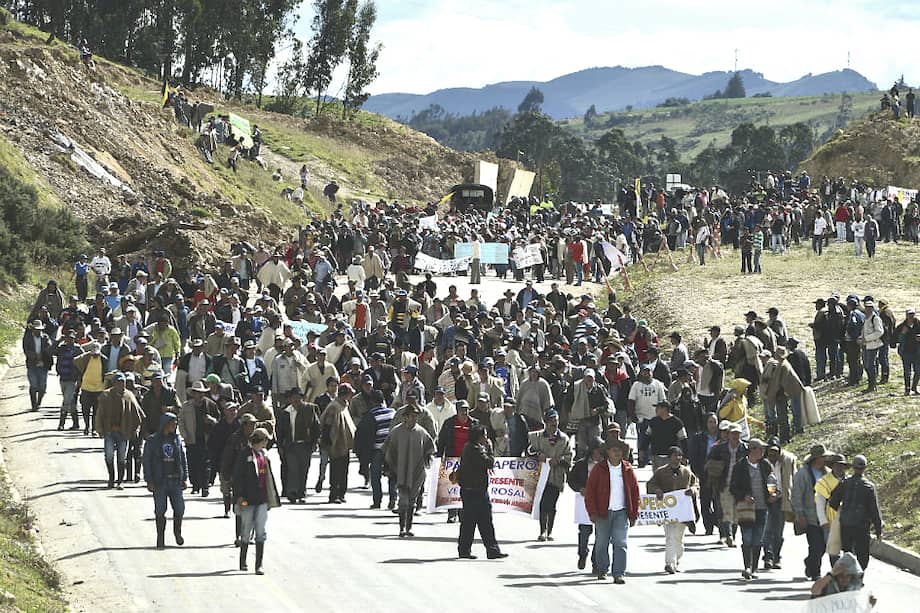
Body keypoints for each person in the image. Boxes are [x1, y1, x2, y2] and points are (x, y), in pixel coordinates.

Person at [584, 438, 640, 583]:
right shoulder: (599, 469)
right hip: (603, 513)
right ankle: (602, 569)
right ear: (607, 452)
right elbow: (590, 492)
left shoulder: (627, 469)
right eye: (614, 449)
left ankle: (619, 573)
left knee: (620, 543)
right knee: (601, 543)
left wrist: (634, 514)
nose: (617, 452)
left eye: (619, 450)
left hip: (621, 512)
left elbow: (635, 492)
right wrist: (592, 512)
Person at [233, 427, 280, 574]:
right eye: (265, 440)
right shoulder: (244, 455)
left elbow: (269, 479)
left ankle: (258, 565)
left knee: (260, 531)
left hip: (262, 499)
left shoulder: (264, 456)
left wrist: (271, 499)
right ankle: (243, 561)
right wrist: (239, 496)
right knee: (246, 530)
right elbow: (238, 477)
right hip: (247, 499)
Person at [456, 425, 508, 559]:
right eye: (484, 435)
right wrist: (490, 449)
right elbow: (489, 462)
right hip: (474, 492)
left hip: (476, 491)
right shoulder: (474, 449)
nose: (486, 438)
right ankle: (466, 550)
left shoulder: (473, 447)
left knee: (483, 522)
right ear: (478, 437)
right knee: (471, 522)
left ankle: (491, 550)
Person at [384, 403, 435, 537]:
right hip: (400, 472)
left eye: (416, 416)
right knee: (403, 501)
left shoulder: (421, 432)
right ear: (405, 417)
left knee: (412, 500)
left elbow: (430, 447)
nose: (414, 419)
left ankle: (409, 527)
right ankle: (401, 527)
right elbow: (389, 449)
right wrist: (389, 467)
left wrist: (427, 458)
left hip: (416, 472)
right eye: (411, 416)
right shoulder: (396, 432)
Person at [729, 438, 776, 580]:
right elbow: (733, 487)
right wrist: (744, 496)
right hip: (746, 509)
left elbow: (772, 482)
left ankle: (754, 568)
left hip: (762, 508)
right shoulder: (740, 466)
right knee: (747, 538)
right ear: (752, 449)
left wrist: (773, 494)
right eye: (760, 449)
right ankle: (747, 566)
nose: (762, 451)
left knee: (758, 540)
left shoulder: (765, 465)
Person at [647, 446, 698, 573]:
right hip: (667, 510)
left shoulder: (686, 472)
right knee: (670, 536)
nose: (678, 458)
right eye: (675, 455)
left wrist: (693, 490)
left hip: (682, 511)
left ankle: (676, 559)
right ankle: (670, 563)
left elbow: (695, 484)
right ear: (669, 457)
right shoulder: (661, 472)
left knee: (679, 538)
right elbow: (651, 484)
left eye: (679, 455)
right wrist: (657, 490)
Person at [142, 412, 188, 550]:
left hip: (175, 481)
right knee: (160, 510)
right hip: (160, 481)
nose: (174, 426)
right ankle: (160, 537)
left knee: (179, 509)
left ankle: (177, 532)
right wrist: (149, 480)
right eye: (172, 423)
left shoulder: (177, 440)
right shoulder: (152, 441)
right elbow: (147, 461)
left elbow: (182, 459)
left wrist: (184, 477)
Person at [829, 454, 882, 572]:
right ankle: (858, 576)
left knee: (848, 553)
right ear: (865, 468)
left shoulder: (844, 483)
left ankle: (848, 577)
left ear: (853, 467)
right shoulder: (869, 487)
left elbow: (832, 502)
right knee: (862, 555)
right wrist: (878, 530)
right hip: (862, 526)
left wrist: (843, 509)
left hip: (846, 524)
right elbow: (874, 510)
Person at [527, 409, 572, 542]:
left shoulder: (564, 439)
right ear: (546, 422)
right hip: (541, 477)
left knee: (551, 504)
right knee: (542, 503)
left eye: (556, 421)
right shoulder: (537, 437)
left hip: (556, 477)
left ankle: (550, 530)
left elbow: (569, 456)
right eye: (551, 421)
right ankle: (543, 530)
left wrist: (559, 460)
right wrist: (538, 455)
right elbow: (528, 450)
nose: (554, 423)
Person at [96, 372, 144, 489]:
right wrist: (99, 429)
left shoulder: (129, 396)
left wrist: (134, 430)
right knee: (109, 456)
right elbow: (99, 414)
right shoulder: (106, 395)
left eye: (122, 382)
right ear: (113, 383)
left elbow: (138, 414)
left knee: (122, 458)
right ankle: (111, 478)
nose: (120, 384)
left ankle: (120, 481)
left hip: (123, 433)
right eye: (118, 382)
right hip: (109, 432)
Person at [792, 444, 830, 580]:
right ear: (815, 458)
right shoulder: (803, 474)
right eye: (822, 457)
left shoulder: (828, 473)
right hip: (810, 517)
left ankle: (810, 562)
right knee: (815, 545)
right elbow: (796, 495)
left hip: (825, 518)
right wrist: (800, 514)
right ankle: (815, 573)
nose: (824, 460)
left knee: (824, 546)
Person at [277, 389, 320, 504]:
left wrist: (315, 442)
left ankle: (301, 493)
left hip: (305, 445)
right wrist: (280, 446)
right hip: (291, 446)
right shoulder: (285, 412)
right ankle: (292, 492)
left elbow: (316, 427)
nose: (296, 400)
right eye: (293, 397)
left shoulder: (309, 409)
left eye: (298, 397)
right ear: (289, 399)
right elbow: (279, 431)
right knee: (293, 469)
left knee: (304, 469)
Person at [568, 436, 604, 572]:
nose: (598, 455)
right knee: (584, 532)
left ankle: (596, 562)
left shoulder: (606, 466)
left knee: (600, 535)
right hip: (584, 504)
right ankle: (582, 554)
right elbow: (571, 480)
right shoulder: (581, 465)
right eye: (596, 451)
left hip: (601, 503)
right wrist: (580, 488)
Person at [762, 436, 797, 570]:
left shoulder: (786, 462)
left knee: (778, 532)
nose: (772, 454)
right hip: (766, 501)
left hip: (781, 501)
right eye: (770, 451)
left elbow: (793, 479)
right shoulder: (763, 463)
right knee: (767, 530)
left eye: (775, 451)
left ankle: (777, 556)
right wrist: (769, 496)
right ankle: (768, 557)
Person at [318, 384, 356, 504]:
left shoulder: (344, 405)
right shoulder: (334, 406)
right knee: (336, 469)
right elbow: (327, 424)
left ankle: (341, 493)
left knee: (344, 469)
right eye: (350, 393)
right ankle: (334, 494)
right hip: (336, 443)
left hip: (344, 443)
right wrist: (328, 441)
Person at [23, 320, 54, 412]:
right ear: (33, 329)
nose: (38, 331)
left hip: (43, 365)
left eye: (39, 329)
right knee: (33, 385)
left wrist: (44, 355)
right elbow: (26, 350)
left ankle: (39, 402)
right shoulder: (27, 338)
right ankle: (34, 404)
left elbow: (49, 349)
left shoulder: (45, 337)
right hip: (32, 364)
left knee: (42, 387)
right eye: (36, 329)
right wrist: (35, 356)